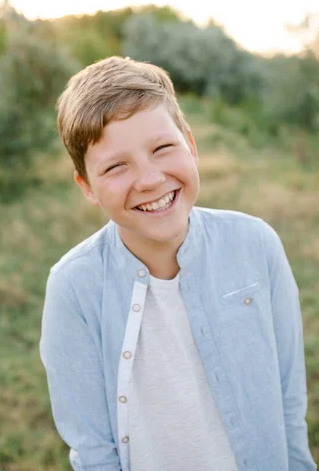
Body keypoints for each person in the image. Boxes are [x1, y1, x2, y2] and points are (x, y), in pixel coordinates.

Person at [40, 56, 316, 471]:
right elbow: (94, 452)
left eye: (162, 148)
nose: (149, 179)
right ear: (87, 186)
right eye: (116, 166)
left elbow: (289, 402)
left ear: (191, 145)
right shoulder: (73, 288)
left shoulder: (256, 245)